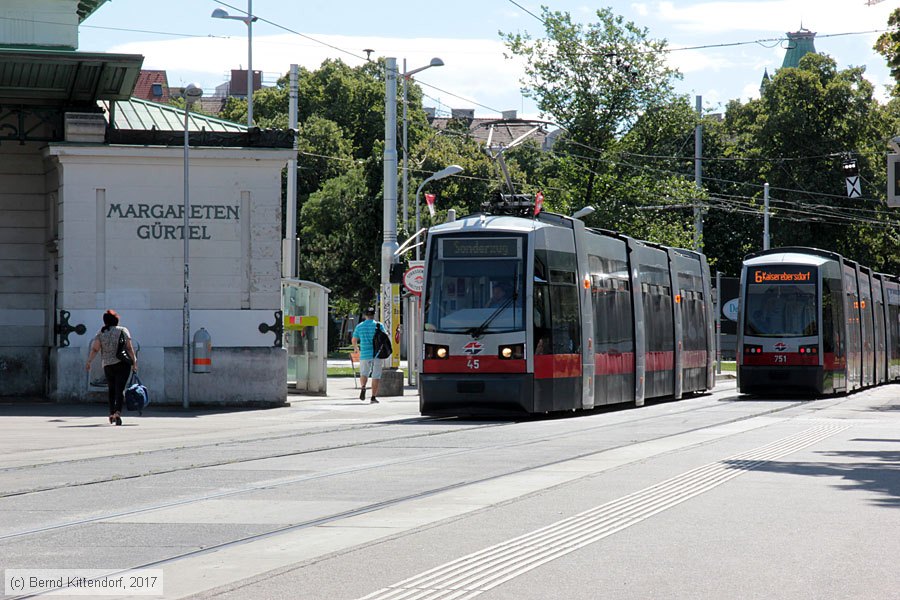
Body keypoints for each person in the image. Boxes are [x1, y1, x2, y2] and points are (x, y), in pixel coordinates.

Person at [85, 309, 137, 425]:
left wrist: (89, 361)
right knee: (120, 389)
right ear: (116, 320)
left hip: (108, 365)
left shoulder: (101, 332)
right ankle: (117, 412)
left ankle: (111, 413)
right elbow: (129, 348)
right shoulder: (123, 330)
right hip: (122, 364)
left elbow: (95, 349)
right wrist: (134, 362)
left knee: (111, 390)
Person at [352, 307, 382, 404]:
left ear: (365, 315)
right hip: (376, 354)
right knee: (376, 376)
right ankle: (373, 397)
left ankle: (363, 387)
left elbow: (354, 339)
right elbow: (385, 337)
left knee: (364, 373)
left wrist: (356, 348)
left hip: (364, 354)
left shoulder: (360, 326)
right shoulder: (378, 325)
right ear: (374, 315)